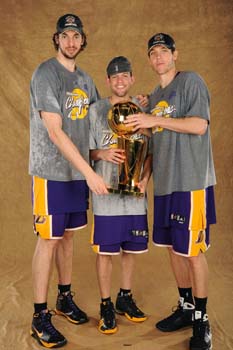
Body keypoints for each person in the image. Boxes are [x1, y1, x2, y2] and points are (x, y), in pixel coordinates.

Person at [124, 33, 216, 350]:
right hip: (164, 184)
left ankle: (202, 322)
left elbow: (199, 125)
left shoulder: (191, 82)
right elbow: (154, 145)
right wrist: (144, 178)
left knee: (191, 252)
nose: (159, 56)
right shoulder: (155, 94)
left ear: (175, 54)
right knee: (172, 249)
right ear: (150, 60)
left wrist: (152, 116)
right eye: (153, 52)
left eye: (164, 50)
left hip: (190, 181)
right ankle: (187, 308)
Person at [29, 13, 108, 348]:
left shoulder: (88, 81)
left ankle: (63, 297)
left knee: (67, 238)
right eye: (65, 36)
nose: (71, 41)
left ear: (82, 40)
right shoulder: (46, 73)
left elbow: (95, 125)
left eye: (77, 36)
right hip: (52, 172)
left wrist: (99, 158)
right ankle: (38, 315)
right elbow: (54, 130)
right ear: (57, 39)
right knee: (49, 239)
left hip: (77, 174)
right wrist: (90, 172)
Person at [89, 56, 152, 334]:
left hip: (134, 195)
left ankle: (124, 297)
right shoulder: (95, 111)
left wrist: (145, 178)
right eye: (114, 77)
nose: (120, 81)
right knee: (106, 252)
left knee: (131, 249)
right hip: (106, 193)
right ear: (107, 81)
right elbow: (84, 151)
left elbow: (150, 152)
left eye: (124, 75)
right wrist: (102, 153)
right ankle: (105, 304)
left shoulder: (141, 110)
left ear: (132, 79)